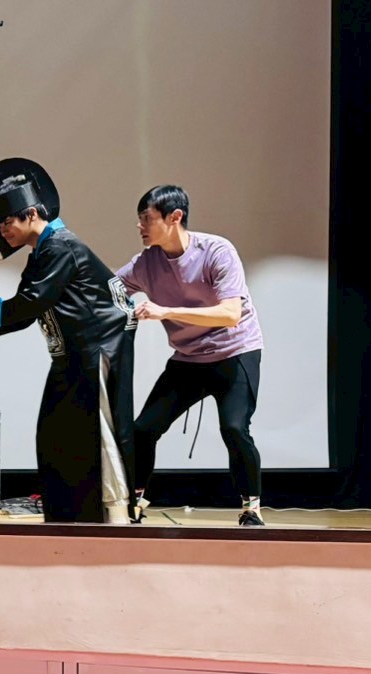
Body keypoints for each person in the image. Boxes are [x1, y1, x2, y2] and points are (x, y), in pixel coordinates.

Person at [0, 173, 138, 523]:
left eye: (7, 221)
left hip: (95, 354)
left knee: (98, 439)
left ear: (31, 214)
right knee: (55, 438)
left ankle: (115, 517)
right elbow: (26, 310)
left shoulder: (60, 247)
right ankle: (67, 518)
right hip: (72, 358)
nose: (2, 230)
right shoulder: (43, 252)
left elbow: (32, 301)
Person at [117, 185, 266, 526]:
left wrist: (165, 311)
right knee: (143, 429)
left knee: (234, 428)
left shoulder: (216, 251)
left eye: (147, 218)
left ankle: (251, 508)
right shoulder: (146, 263)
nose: (140, 226)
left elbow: (230, 314)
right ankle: (133, 502)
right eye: (139, 218)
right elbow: (107, 289)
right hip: (188, 359)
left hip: (235, 352)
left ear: (175, 217)